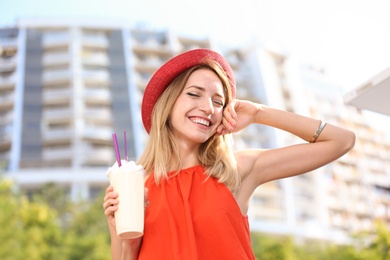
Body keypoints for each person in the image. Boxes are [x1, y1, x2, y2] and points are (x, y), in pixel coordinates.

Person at [103, 48, 355, 259]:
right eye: (194, 94)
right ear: (168, 104)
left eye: (218, 101)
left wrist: (259, 113)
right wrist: (124, 237)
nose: (208, 108)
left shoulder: (236, 170)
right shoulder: (136, 188)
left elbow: (342, 141)